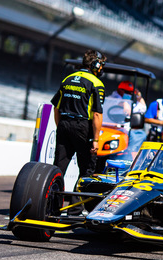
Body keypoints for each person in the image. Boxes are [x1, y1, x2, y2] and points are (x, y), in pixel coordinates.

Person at [51, 49, 106, 214]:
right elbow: (96, 114)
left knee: (58, 169)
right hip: (83, 128)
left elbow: (56, 108)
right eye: (101, 65)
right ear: (95, 65)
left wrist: (61, 126)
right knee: (87, 170)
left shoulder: (67, 79)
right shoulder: (96, 83)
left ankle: (51, 205)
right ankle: (74, 211)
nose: (102, 68)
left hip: (64, 125)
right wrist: (96, 139)